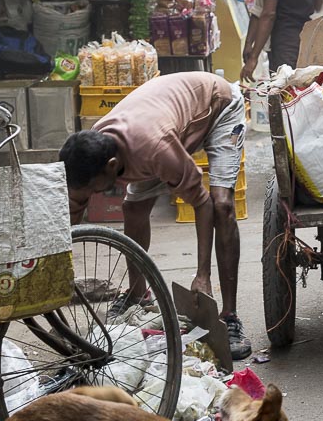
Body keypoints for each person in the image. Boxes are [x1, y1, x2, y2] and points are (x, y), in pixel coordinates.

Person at [60, 72, 251, 359]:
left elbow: (202, 203)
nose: (90, 195)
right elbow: (75, 206)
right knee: (133, 208)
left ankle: (230, 315)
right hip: (166, 123)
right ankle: (138, 294)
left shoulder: (155, 149)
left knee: (222, 205)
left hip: (218, 106)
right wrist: (58, 263)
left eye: (92, 188)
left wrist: (202, 274)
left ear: (112, 166)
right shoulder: (98, 143)